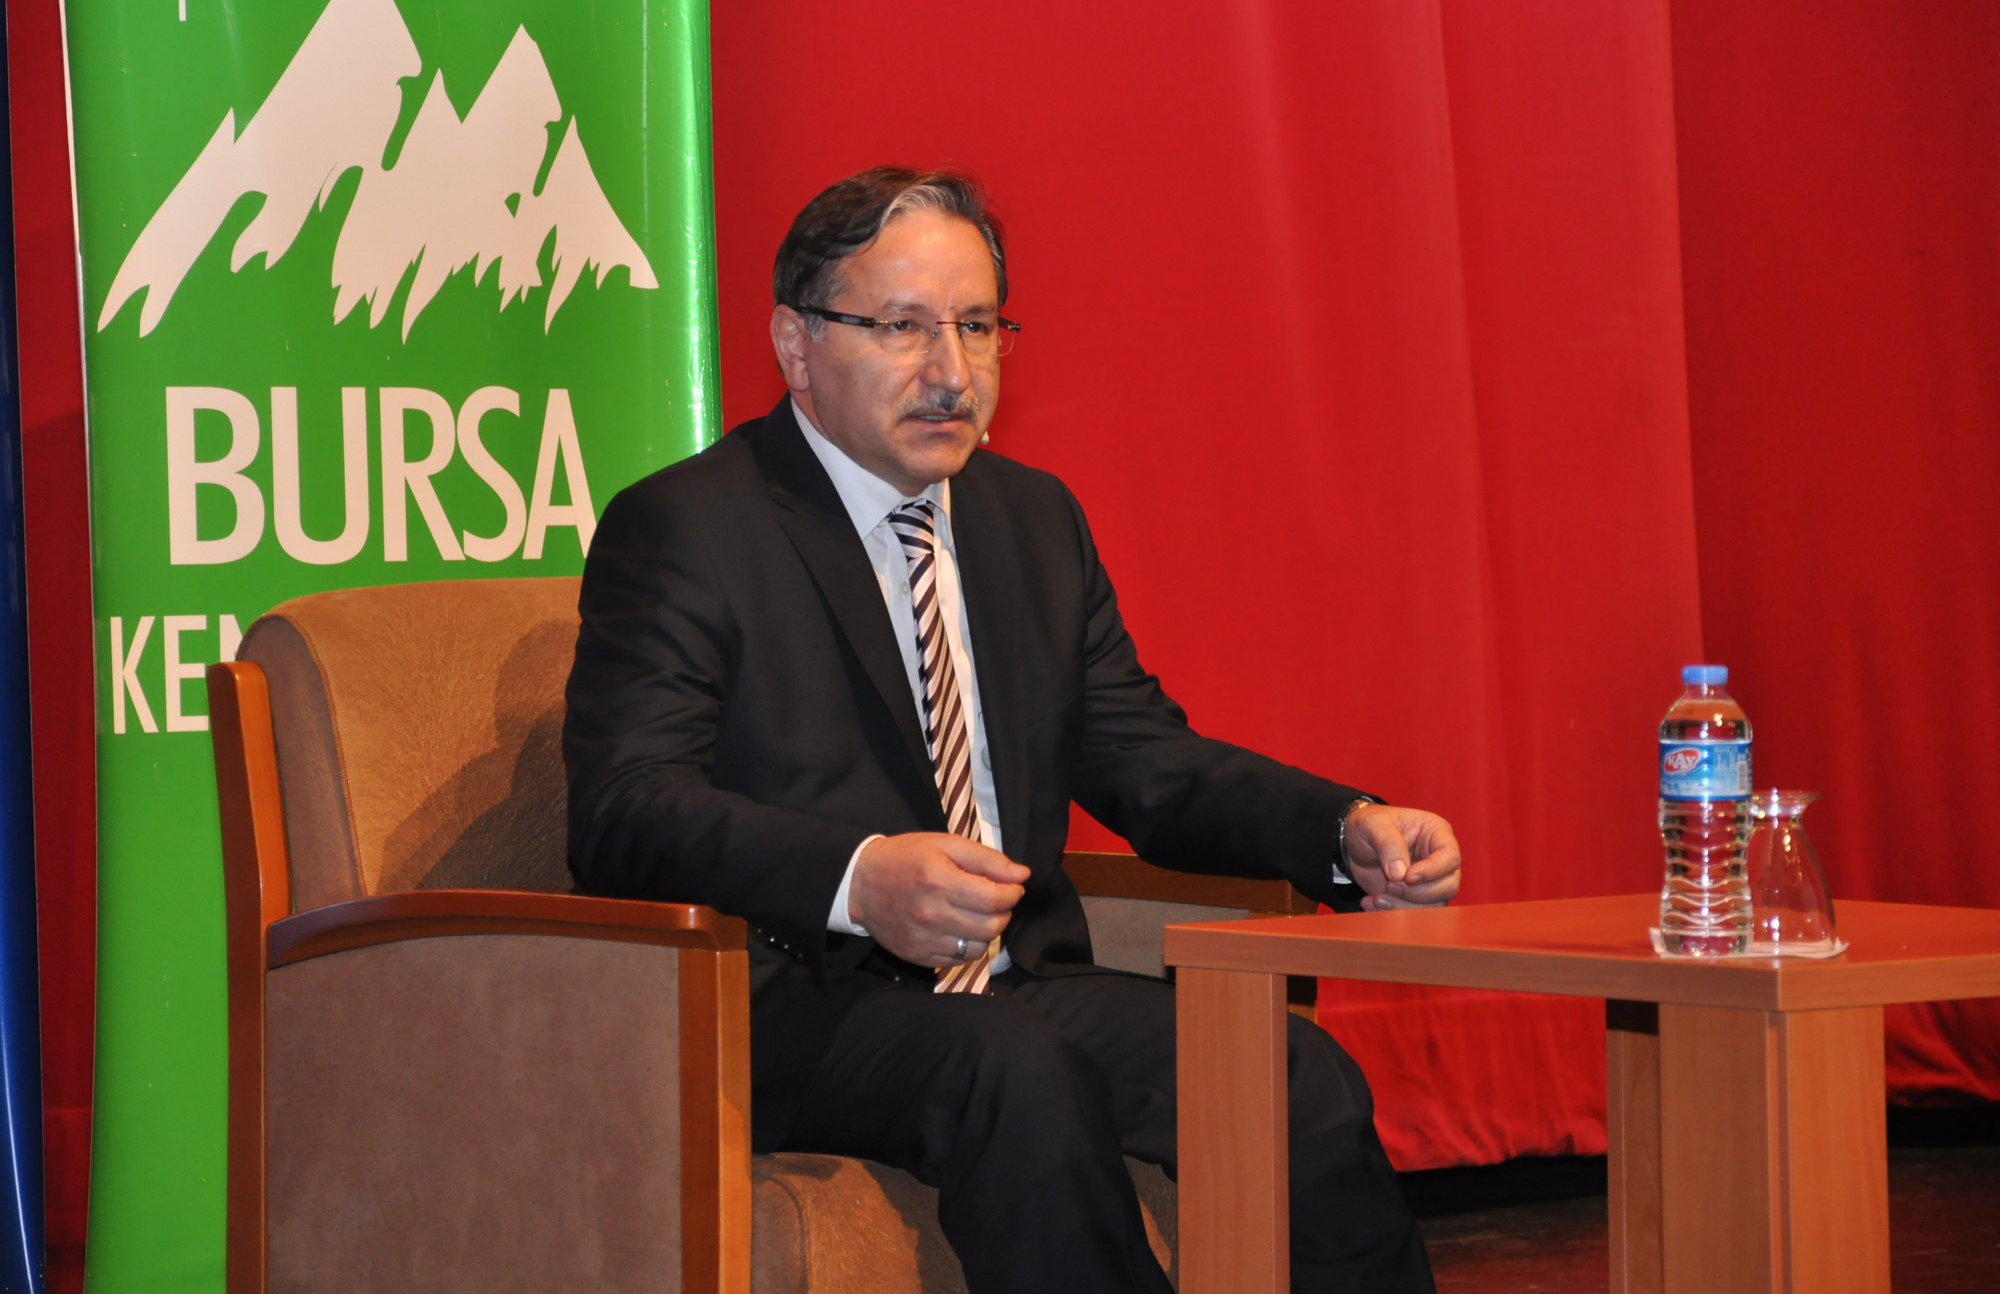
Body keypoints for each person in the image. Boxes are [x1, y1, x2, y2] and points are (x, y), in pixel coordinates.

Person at [563, 166, 1462, 1294]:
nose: (951, 372)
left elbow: (1142, 756)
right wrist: (857, 877)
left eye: (977, 326)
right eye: (902, 327)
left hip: (1012, 976)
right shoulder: (689, 525)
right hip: (793, 1000)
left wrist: (1341, 826)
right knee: (1017, 1066)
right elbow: (625, 809)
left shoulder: (1029, 518)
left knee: (1286, 1070)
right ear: (796, 343)